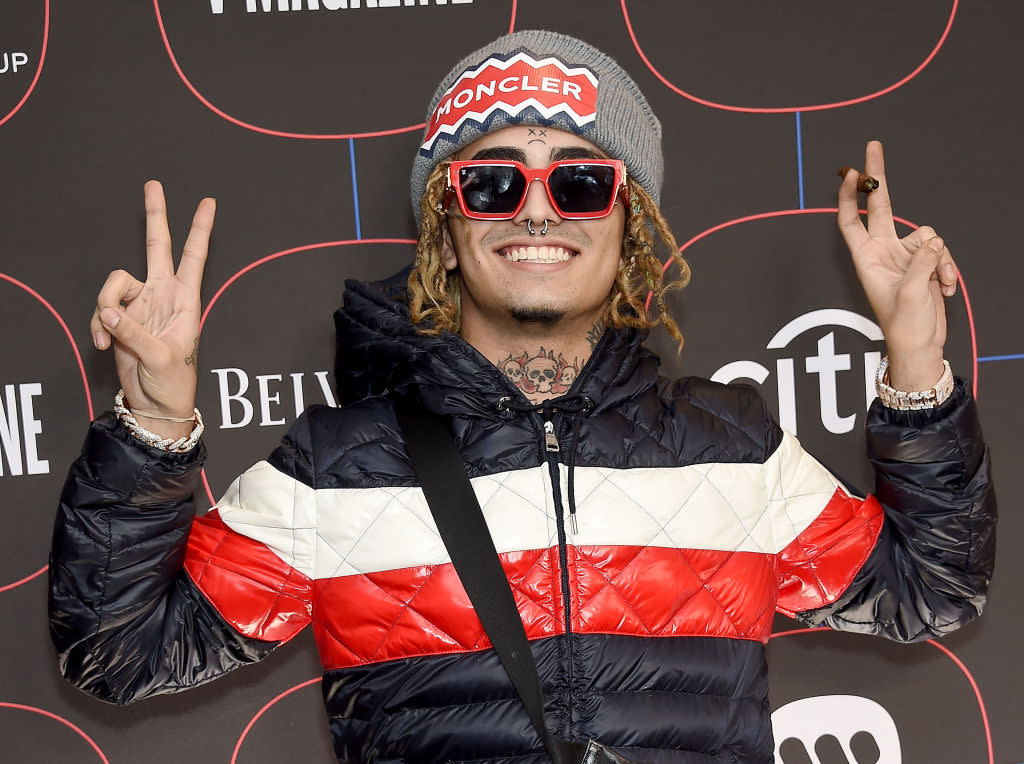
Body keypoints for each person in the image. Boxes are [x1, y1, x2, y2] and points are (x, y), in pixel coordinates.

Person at [49, 29, 995, 763]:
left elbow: (933, 589)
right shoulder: (337, 468)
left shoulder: (731, 445)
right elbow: (119, 651)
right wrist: (155, 420)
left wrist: (914, 358)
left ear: (631, 224)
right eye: (493, 181)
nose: (537, 209)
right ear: (445, 228)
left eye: (580, 180)